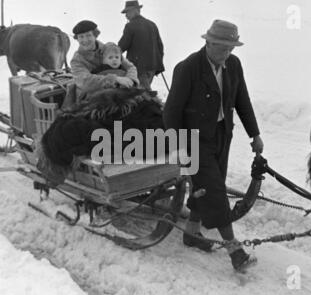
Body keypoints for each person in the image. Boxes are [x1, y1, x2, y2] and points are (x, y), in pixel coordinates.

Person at [163, 20, 264, 272]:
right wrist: (177, 148)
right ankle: (234, 249)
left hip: (221, 135)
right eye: (221, 48)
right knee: (215, 190)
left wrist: (255, 134)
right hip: (192, 139)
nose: (226, 54)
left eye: (231, 48)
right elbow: (171, 111)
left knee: (208, 186)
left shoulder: (233, 65)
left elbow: (243, 100)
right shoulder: (188, 68)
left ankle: (192, 233)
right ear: (207, 42)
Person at [70, 20, 139, 101]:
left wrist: (130, 79)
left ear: (95, 35)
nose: (85, 40)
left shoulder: (108, 49)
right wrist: (115, 79)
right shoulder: (77, 60)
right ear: (77, 39)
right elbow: (86, 82)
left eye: (88, 35)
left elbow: (130, 67)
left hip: (117, 92)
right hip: (90, 98)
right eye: (81, 37)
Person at [118, 1, 164, 91]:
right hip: (153, 67)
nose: (126, 15)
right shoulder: (152, 24)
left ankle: (157, 104)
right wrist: (158, 63)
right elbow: (160, 48)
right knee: (143, 92)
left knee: (143, 93)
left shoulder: (130, 26)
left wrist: (110, 53)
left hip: (138, 67)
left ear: (136, 10)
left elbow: (121, 47)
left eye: (127, 12)